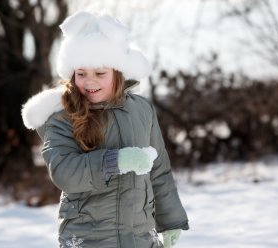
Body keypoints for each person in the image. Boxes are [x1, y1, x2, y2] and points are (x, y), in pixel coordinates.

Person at [22, 10, 189, 248]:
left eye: (100, 73)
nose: (90, 82)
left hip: (140, 237)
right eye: (81, 74)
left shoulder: (141, 111)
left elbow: (159, 169)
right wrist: (115, 162)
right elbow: (64, 172)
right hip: (90, 239)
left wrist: (170, 220)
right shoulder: (61, 116)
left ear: (118, 72)